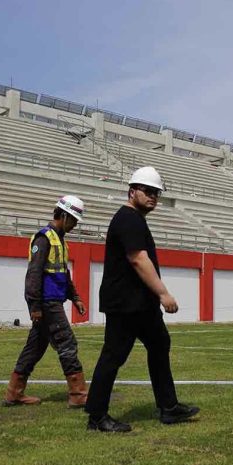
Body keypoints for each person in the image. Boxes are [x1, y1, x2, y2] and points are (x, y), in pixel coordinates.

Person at [85, 166, 199, 433]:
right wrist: (163, 293)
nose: (153, 197)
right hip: (126, 304)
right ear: (132, 191)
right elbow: (138, 259)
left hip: (139, 304)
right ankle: (97, 416)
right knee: (114, 355)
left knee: (160, 344)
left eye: (156, 193)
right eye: (147, 191)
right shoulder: (129, 219)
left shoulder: (134, 219)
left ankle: (168, 407)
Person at [3, 195, 89, 408]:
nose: (75, 225)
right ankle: (78, 394)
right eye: (74, 220)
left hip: (52, 301)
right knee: (67, 343)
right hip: (47, 303)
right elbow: (33, 274)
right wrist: (35, 306)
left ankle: (14, 393)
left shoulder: (60, 240)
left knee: (35, 347)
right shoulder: (43, 238)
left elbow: (63, 273)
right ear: (64, 216)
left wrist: (75, 297)